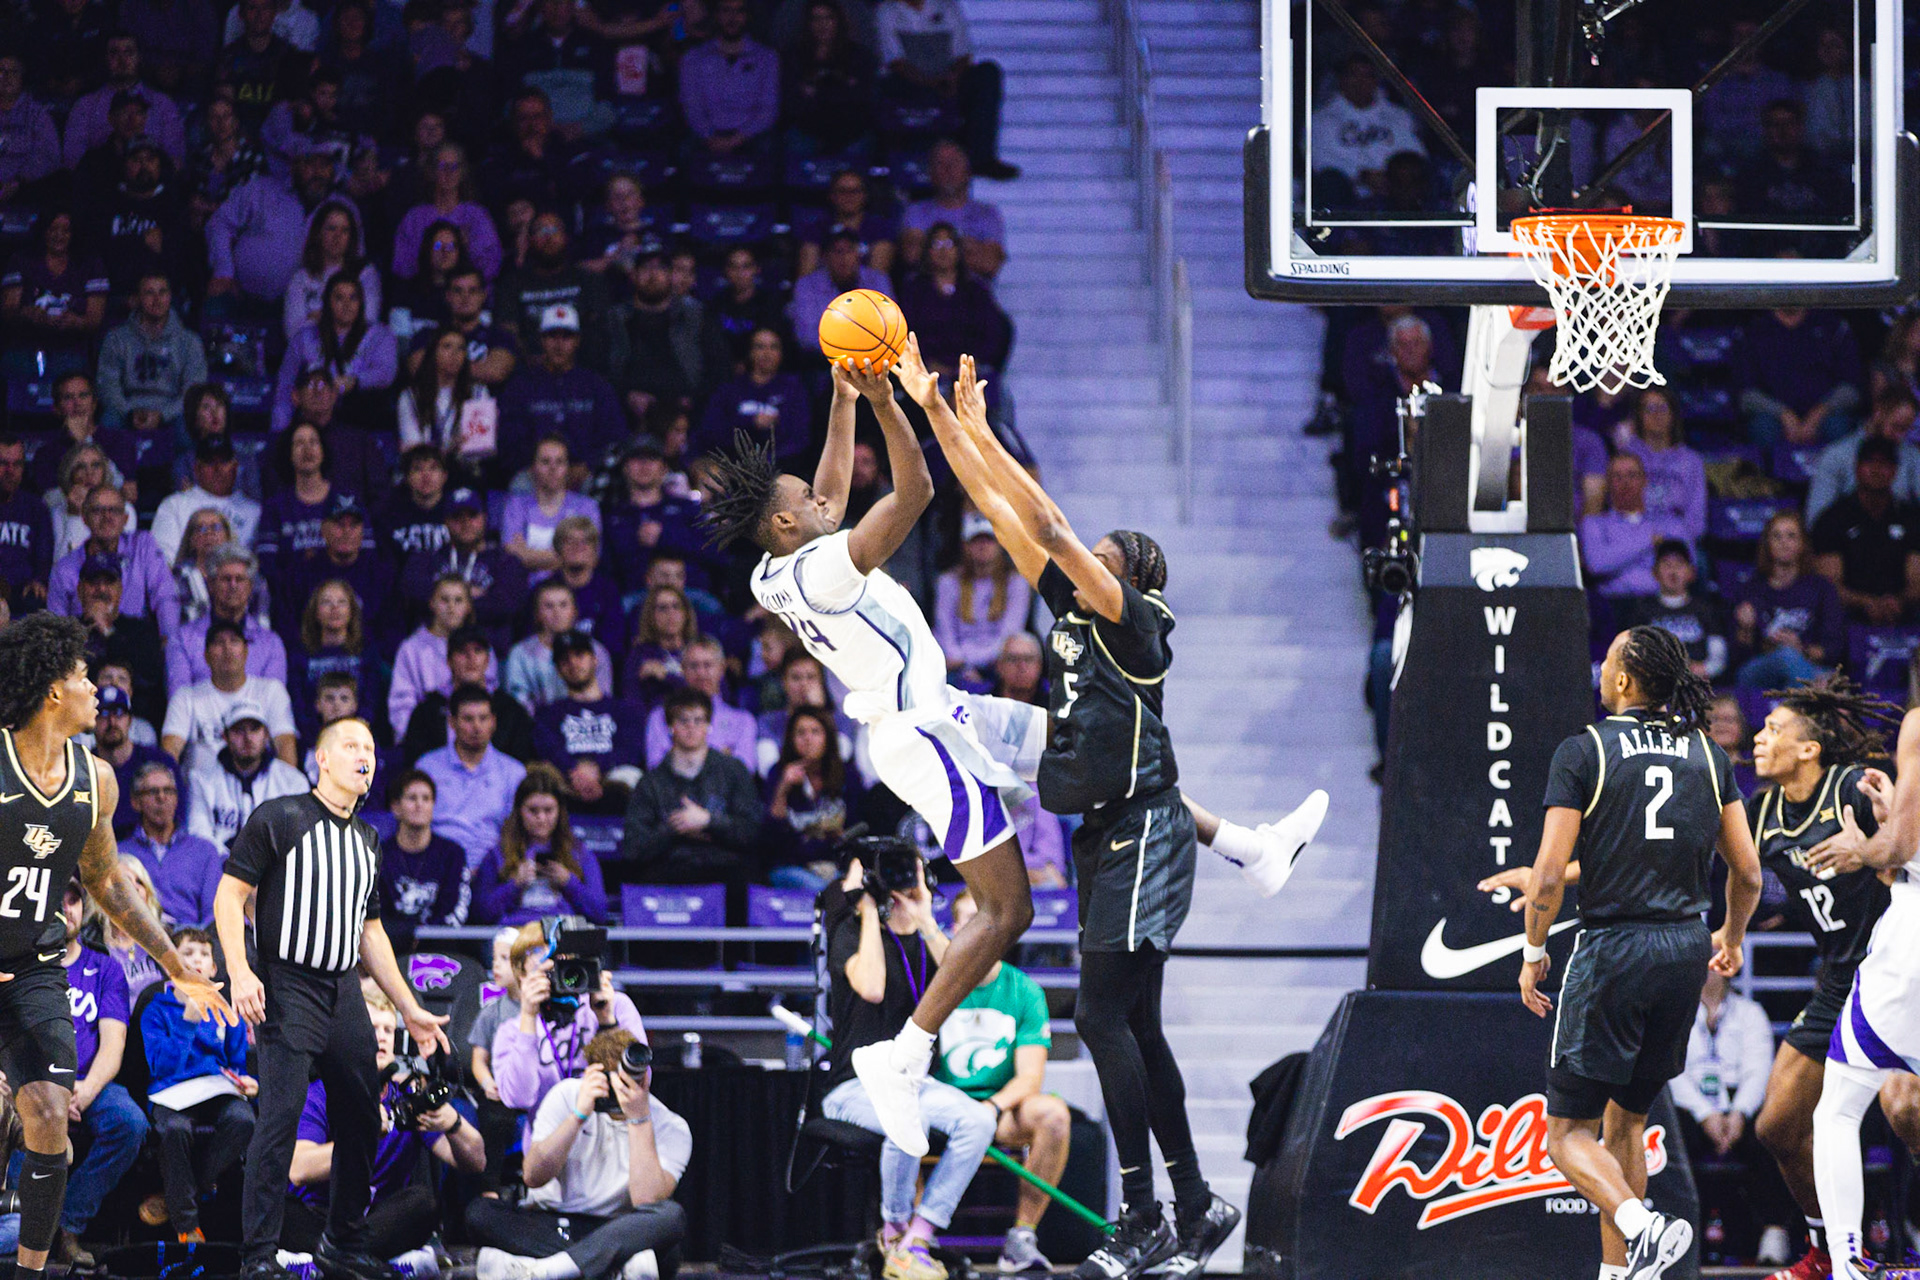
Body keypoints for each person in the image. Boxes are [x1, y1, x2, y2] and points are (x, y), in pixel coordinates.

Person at [919, 356, 1322, 1278]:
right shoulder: (1072, 615)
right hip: (1103, 831)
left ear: (1133, 576)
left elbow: (1049, 523)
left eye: (1106, 554)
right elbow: (1001, 512)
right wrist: (944, 420)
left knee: (1100, 1017)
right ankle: (1195, 1204)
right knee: (1136, 1026)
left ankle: (1140, 1213)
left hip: (1145, 829)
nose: (1083, 555)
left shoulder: (1135, 623)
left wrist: (981, 427)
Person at [1519, 626, 1762, 1280]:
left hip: (1614, 949)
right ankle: (1621, 1273)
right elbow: (1749, 873)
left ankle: (1641, 1226)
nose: (1601, 667)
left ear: (1624, 681)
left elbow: (1546, 874)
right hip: (1685, 949)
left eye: (1610, 659)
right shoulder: (1709, 755)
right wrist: (1731, 939)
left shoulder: (1585, 749)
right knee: (1626, 1125)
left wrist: (1534, 949)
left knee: (1567, 1135)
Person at [0, 613, 231, 1280]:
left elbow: (105, 880)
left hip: (36, 966)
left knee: (49, 1120)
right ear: (51, 691)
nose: (96, 690)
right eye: (81, 677)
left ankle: (30, 1272)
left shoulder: (95, 778)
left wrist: (172, 965)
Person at [214, 715, 452, 1280]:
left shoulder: (368, 839)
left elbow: (370, 932)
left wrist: (410, 1006)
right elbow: (229, 897)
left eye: (370, 747)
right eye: (351, 745)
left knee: (361, 1118)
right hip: (287, 980)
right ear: (322, 758)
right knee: (279, 1120)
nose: (364, 755)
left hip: (343, 986)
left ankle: (343, 1242)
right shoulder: (281, 816)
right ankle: (257, 1257)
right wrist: (241, 972)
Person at [821, 844, 996, 1280]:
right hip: (851, 1086)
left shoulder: (925, 937)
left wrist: (926, 919)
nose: (904, 881)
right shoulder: (850, 931)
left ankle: (919, 1234)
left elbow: (966, 981)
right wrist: (864, 910)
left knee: (978, 1122)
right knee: (905, 1114)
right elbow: (873, 987)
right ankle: (894, 1229)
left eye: (912, 872)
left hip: (914, 1083)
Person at [1800, 703, 1920, 1280]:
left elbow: (1897, 853)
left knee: (1839, 1110)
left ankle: (1847, 1265)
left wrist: (1861, 847)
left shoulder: (1919, 722)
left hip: (1911, 955)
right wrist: (1895, 809)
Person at [466, 1027, 691, 1280]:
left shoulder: (670, 1126)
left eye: (626, 1080)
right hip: (555, 1222)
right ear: (590, 1074)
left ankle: (546, 1271)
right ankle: (609, 1268)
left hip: (621, 1227)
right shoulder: (567, 1095)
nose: (618, 1090)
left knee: (671, 1217)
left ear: (644, 1078)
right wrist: (578, 1116)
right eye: (609, 1079)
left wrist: (638, 1118)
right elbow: (533, 1177)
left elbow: (646, 1201)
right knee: (481, 1212)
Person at [285, 986, 485, 1262]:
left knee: (423, 1204)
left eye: (388, 1030)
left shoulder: (406, 1096)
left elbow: (475, 1162)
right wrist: (363, 1136)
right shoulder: (321, 1092)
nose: (381, 1037)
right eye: (372, 1027)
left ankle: (339, 1258)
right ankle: (352, 1258)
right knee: (283, 1214)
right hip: (319, 1213)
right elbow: (299, 1169)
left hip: (374, 1219)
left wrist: (454, 1124)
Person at [935, 890, 1071, 1275]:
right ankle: (917, 1240)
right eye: (965, 919)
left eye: (983, 919)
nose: (975, 928)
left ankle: (1021, 1239)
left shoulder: (1024, 991)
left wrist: (989, 1109)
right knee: (898, 1110)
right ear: (954, 928)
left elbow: (1030, 1077)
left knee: (1053, 1115)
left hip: (998, 1111)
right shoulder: (935, 982)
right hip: (938, 1110)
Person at [52, 878, 150, 1266]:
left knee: (130, 1123)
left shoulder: (105, 967)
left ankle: (68, 1226)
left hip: (89, 1083)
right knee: (26, 1116)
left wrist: (87, 1090)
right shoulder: (22, 967)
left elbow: (114, 1042)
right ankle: (24, 1224)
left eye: (74, 900)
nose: (67, 908)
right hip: (38, 1084)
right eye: (60, 900)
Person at [140, 925, 256, 1244]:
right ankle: (187, 1225)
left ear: (214, 968)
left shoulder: (226, 1011)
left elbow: (236, 1064)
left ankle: (187, 1192)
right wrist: (188, 1021)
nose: (197, 960)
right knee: (175, 1131)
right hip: (171, 1092)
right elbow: (161, 1066)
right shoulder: (155, 1010)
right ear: (171, 964)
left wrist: (246, 1083)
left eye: (204, 954)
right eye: (187, 953)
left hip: (215, 1089)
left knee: (243, 1120)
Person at [1672, 972, 1790, 1263]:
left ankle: (1773, 1232)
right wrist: (1704, 1114)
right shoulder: (1675, 1012)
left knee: (1771, 1130)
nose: (1709, 966)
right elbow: (1672, 1069)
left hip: (1741, 1100)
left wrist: (1740, 1113)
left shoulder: (1751, 1013)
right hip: (1692, 1104)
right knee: (1672, 1136)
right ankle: (1676, 1231)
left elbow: (1760, 1069)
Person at [618, 688, 764, 893]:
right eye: (683, 720)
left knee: (748, 876)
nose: (691, 727)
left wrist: (708, 821)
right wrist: (675, 828)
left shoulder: (734, 771)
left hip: (724, 868)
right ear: (670, 726)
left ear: (708, 726)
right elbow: (633, 848)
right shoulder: (651, 782)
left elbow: (752, 832)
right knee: (640, 877)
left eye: (698, 720)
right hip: (670, 868)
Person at [490, 925, 646, 1116]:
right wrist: (529, 1018)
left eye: (563, 955)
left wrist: (606, 1020)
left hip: (611, 1132)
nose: (556, 961)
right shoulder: (511, 1031)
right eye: (541, 953)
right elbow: (519, 1098)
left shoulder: (615, 1005)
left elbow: (639, 1082)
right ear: (521, 975)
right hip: (551, 1139)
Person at [473, 766, 608, 925]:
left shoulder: (580, 853)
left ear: (560, 812)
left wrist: (568, 882)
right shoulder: (498, 854)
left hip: (564, 936)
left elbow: (600, 913)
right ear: (519, 811)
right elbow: (480, 914)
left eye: (548, 810)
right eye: (533, 810)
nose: (541, 818)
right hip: (513, 936)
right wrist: (515, 884)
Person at [1809, 435, 1920, 625]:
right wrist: (1867, 603)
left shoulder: (1911, 518)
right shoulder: (1832, 519)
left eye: (1884, 463)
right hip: (1847, 617)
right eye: (1870, 462)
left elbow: (1916, 580)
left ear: (1895, 471)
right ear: (1857, 467)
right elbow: (1829, 585)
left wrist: (1897, 602)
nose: (1877, 470)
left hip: (1903, 614)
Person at [417, 684, 529, 870]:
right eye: (468, 719)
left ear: (493, 722)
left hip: (492, 870)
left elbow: (517, 834)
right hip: (435, 867)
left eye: (483, 718)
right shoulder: (427, 766)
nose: (476, 727)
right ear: (452, 722)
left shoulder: (514, 772)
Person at [160, 620, 299, 769]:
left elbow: (285, 745)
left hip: (260, 787)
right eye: (218, 642)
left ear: (246, 652)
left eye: (234, 641)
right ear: (206, 656)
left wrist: (288, 786)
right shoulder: (186, 696)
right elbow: (171, 748)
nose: (227, 649)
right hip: (201, 789)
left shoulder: (271, 690)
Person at [531, 631, 643, 816]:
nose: (573, 664)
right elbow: (547, 749)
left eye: (579, 655)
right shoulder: (549, 713)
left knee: (634, 777)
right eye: (565, 660)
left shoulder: (624, 709)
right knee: (538, 775)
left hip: (612, 779)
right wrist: (575, 771)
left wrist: (597, 768)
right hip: (565, 781)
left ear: (594, 660)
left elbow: (631, 750)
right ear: (558, 669)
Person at [1734, 512, 1846, 691]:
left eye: (1791, 536)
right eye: (1777, 536)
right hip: (1759, 671)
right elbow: (1738, 657)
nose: (1783, 542)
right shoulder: (1750, 588)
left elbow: (1833, 650)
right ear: (1767, 543)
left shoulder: (1821, 589)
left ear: (1802, 544)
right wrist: (1745, 628)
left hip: (1809, 665)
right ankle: (1813, 702)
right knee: (1787, 657)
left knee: (1819, 673)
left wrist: (1799, 648)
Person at [400, 626, 537, 767]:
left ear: (488, 659)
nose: (471, 658)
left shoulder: (510, 709)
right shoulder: (427, 711)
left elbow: (521, 760)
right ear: (449, 661)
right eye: (462, 652)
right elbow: (415, 763)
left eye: (478, 651)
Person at [185, 701, 310, 852]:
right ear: (225, 737)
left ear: (266, 735)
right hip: (220, 869)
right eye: (239, 730)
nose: (248, 738)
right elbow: (199, 836)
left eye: (255, 729)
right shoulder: (201, 779)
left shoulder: (293, 781)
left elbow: (298, 838)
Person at [119, 759, 226, 926]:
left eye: (168, 791)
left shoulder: (204, 851)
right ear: (136, 802)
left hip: (191, 943)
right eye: (152, 791)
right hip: (139, 941)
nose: (162, 797)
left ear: (177, 798)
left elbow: (214, 914)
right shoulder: (121, 853)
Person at [96, 273, 208, 433]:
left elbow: (193, 390)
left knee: (188, 428)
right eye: (149, 293)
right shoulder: (116, 338)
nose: (157, 299)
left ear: (170, 297)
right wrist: (128, 412)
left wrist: (163, 414)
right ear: (137, 299)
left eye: (162, 292)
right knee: (108, 423)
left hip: (173, 411)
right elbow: (107, 384)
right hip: (127, 407)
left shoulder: (190, 341)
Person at [934, 512, 1031, 689]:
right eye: (976, 540)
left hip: (998, 663)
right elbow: (945, 631)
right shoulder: (947, 582)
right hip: (955, 665)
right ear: (965, 545)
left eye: (989, 540)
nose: (983, 546)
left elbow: (1010, 633)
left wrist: (978, 665)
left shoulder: (1017, 583)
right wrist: (964, 666)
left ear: (1000, 543)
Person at [378, 770, 471, 951]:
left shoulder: (453, 854)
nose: (419, 805)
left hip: (441, 949)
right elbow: (376, 911)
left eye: (426, 799)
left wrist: (424, 938)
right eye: (412, 798)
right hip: (389, 949)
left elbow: (455, 909)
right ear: (396, 807)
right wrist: (403, 935)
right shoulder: (378, 854)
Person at [1616, 541, 1729, 682]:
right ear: (1655, 572)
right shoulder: (1642, 610)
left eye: (1679, 565)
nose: (1673, 572)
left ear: (1691, 572)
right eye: (1667, 565)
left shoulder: (1705, 608)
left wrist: (1705, 668)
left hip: (1699, 682)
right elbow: (1631, 653)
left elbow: (1718, 652)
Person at [641, 637, 757, 767]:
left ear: (721, 669)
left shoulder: (743, 721)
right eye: (694, 666)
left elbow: (744, 773)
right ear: (683, 670)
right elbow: (656, 768)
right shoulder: (659, 717)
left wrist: (682, 756)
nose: (701, 673)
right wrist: (722, 756)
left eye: (707, 665)